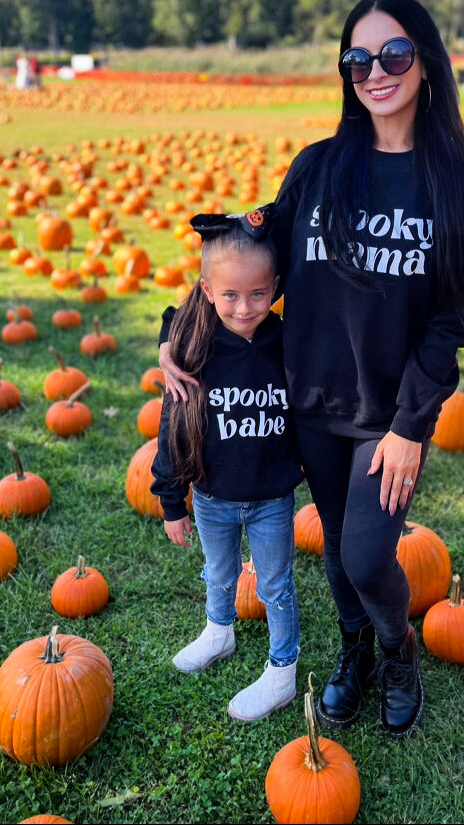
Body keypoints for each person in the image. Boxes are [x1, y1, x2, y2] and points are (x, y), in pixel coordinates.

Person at [160, 0, 464, 739]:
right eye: (357, 59)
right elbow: (246, 260)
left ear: (427, 60)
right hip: (309, 401)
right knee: (339, 555)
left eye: (394, 54)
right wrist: (174, 332)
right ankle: (354, 655)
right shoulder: (317, 168)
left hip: (389, 412)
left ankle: (397, 645)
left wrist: (413, 426)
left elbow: (453, 321)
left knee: (368, 554)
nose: (374, 71)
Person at [150, 206, 304, 722]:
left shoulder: (286, 339)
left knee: (274, 584)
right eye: (230, 295)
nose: (244, 308)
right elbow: (171, 429)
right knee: (218, 573)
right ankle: (219, 631)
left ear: (276, 287)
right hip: (212, 498)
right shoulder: (194, 347)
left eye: (258, 294)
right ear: (208, 289)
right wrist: (172, 501)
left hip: (271, 499)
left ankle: (282, 667)